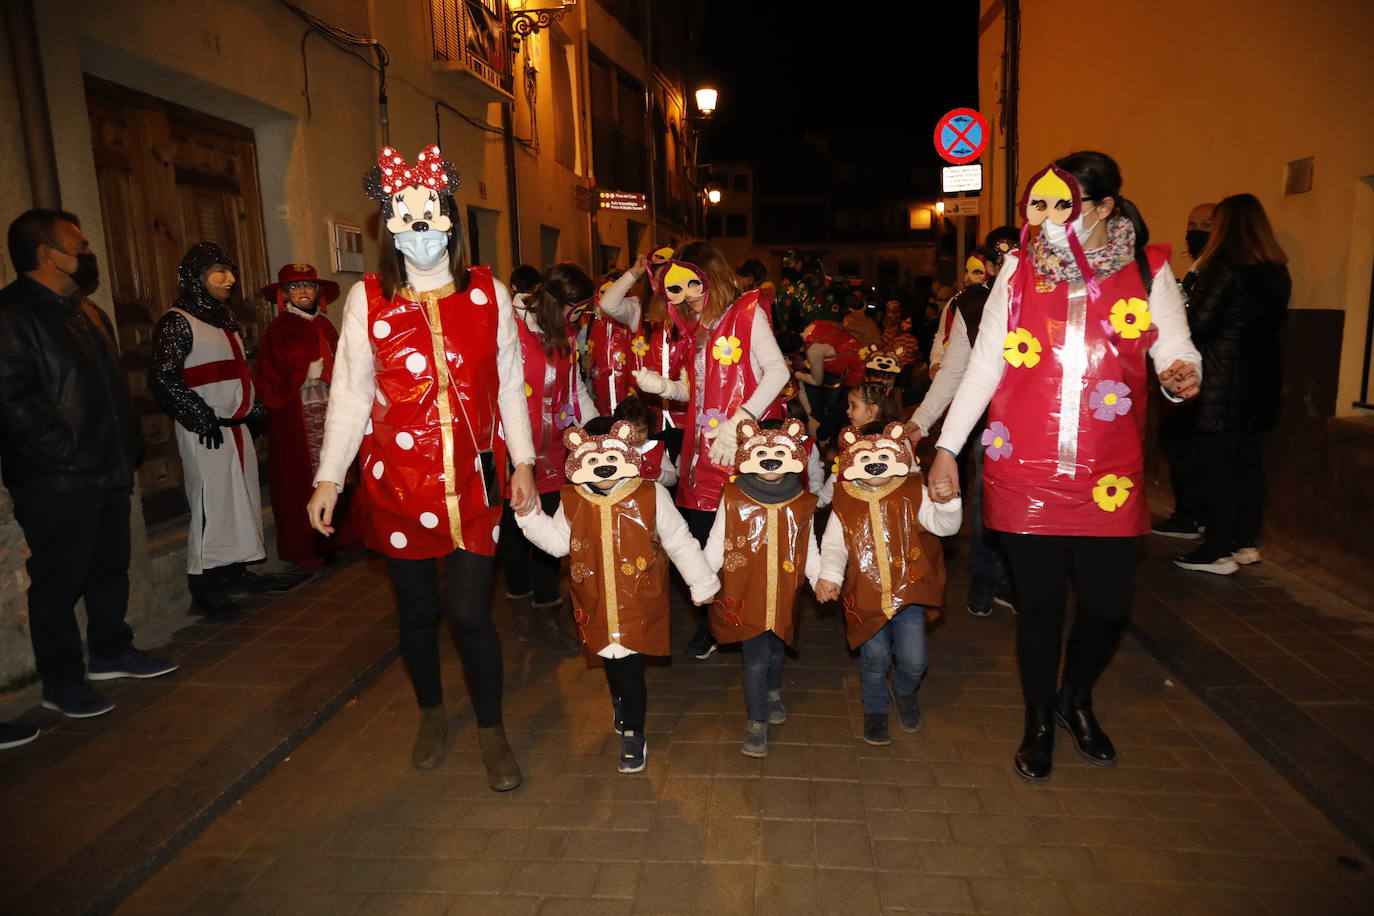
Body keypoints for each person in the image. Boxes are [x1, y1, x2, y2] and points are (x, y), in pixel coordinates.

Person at [926, 152, 1201, 782]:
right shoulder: (1018, 271)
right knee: (1041, 606)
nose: (1048, 220)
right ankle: (1040, 719)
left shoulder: (1146, 267)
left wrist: (1184, 378)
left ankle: (1077, 694)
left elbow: (1175, 349)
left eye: (1063, 206)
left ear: (1104, 208)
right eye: (1039, 206)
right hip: (1023, 468)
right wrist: (947, 446)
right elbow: (987, 364)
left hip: (1110, 475)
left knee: (1107, 607)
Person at [306, 143, 537, 789]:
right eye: (405, 218)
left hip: (473, 482)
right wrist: (329, 476)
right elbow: (350, 392)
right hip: (396, 481)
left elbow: (509, 381)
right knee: (415, 615)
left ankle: (491, 731)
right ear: (388, 227)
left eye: (432, 216)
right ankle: (431, 712)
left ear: (452, 224)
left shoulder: (488, 293)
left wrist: (522, 461)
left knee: (468, 611)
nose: (421, 230)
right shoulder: (367, 300)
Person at [0, 208, 177, 720]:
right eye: (78, 246)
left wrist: (124, 448)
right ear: (47, 254)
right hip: (55, 478)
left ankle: (111, 651)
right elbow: (11, 403)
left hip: (105, 467)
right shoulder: (11, 314)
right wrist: (68, 451)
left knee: (108, 567)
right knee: (58, 581)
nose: (86, 253)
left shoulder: (87, 310)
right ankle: (60, 680)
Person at [516, 421, 719, 773]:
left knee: (630, 669)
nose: (604, 467)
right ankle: (619, 702)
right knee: (610, 663)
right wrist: (529, 515)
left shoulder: (650, 494)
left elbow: (680, 541)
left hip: (637, 602)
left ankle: (633, 732)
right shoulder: (574, 499)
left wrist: (701, 583)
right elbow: (556, 542)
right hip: (594, 602)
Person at [631, 240, 790, 660]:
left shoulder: (746, 314)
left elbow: (777, 371)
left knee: (744, 544)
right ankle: (713, 621)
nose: (686, 299)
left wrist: (739, 421)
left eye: (692, 286)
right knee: (701, 542)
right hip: (703, 450)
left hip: (745, 452)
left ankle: (750, 622)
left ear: (711, 277)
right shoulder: (699, 329)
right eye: (676, 291)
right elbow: (700, 390)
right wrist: (665, 388)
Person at [815, 422, 962, 745]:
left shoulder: (913, 490)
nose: (875, 463)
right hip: (865, 595)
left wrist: (948, 503)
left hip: (908, 593)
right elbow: (835, 545)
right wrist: (829, 575)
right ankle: (876, 709)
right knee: (875, 658)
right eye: (866, 457)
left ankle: (904, 692)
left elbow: (943, 527)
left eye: (882, 455)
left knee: (914, 660)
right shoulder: (845, 497)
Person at [150, 242, 271, 618]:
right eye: (220, 271)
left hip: (234, 428)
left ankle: (234, 572)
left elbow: (238, 372)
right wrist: (198, 415)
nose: (230, 279)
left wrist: (254, 409)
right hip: (206, 430)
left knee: (242, 500)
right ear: (196, 278)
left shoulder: (225, 320)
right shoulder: (177, 321)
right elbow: (163, 377)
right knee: (211, 505)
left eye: (231, 270)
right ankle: (202, 587)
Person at [1175, 194, 1290, 575]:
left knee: (1218, 466)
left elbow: (1199, 323)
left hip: (1222, 379)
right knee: (1247, 464)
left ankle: (1218, 550)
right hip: (1260, 379)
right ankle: (1244, 542)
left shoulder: (1224, 267)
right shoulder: (1277, 269)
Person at [903, 239, 1013, 618]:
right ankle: (986, 574)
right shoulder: (969, 304)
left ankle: (1017, 574)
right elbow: (956, 370)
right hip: (991, 421)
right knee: (986, 495)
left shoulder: (1045, 292)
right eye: (998, 259)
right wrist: (922, 422)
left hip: (1043, 424)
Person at [705, 418, 820, 758]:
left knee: (777, 649)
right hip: (745, 595)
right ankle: (757, 721)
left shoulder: (802, 502)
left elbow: (808, 546)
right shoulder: (733, 496)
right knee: (754, 659)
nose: (771, 460)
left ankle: (772, 692)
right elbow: (717, 542)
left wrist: (820, 578)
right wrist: (702, 578)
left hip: (784, 594)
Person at [501, 262, 596, 650]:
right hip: (514, 449)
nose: (581, 317)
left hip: (555, 449)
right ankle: (521, 610)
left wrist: (598, 428)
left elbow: (576, 392)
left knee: (551, 532)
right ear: (565, 304)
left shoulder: (565, 336)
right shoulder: (509, 326)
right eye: (579, 310)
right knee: (514, 532)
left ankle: (548, 612)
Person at [255, 263, 357, 569]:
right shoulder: (279, 329)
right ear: (284, 295)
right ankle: (307, 547)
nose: (301, 293)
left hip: (332, 411)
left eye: (307, 286)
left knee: (340, 469)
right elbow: (266, 380)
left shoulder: (326, 326)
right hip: (297, 416)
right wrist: (301, 375)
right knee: (302, 478)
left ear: (318, 292)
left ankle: (341, 536)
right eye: (294, 288)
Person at [1152, 201, 1217, 540]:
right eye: (1192, 224)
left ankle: (1195, 518)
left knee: (1191, 451)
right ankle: (1191, 515)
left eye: (1205, 225)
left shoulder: (1219, 268)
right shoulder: (1199, 267)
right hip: (1195, 372)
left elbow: (1202, 322)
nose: (1195, 232)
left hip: (1206, 373)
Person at [795, 317, 867, 448]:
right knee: (841, 408)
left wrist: (795, 374)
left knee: (841, 408)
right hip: (861, 356)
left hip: (857, 371)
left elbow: (817, 381)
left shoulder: (813, 350)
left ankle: (826, 437)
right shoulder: (814, 325)